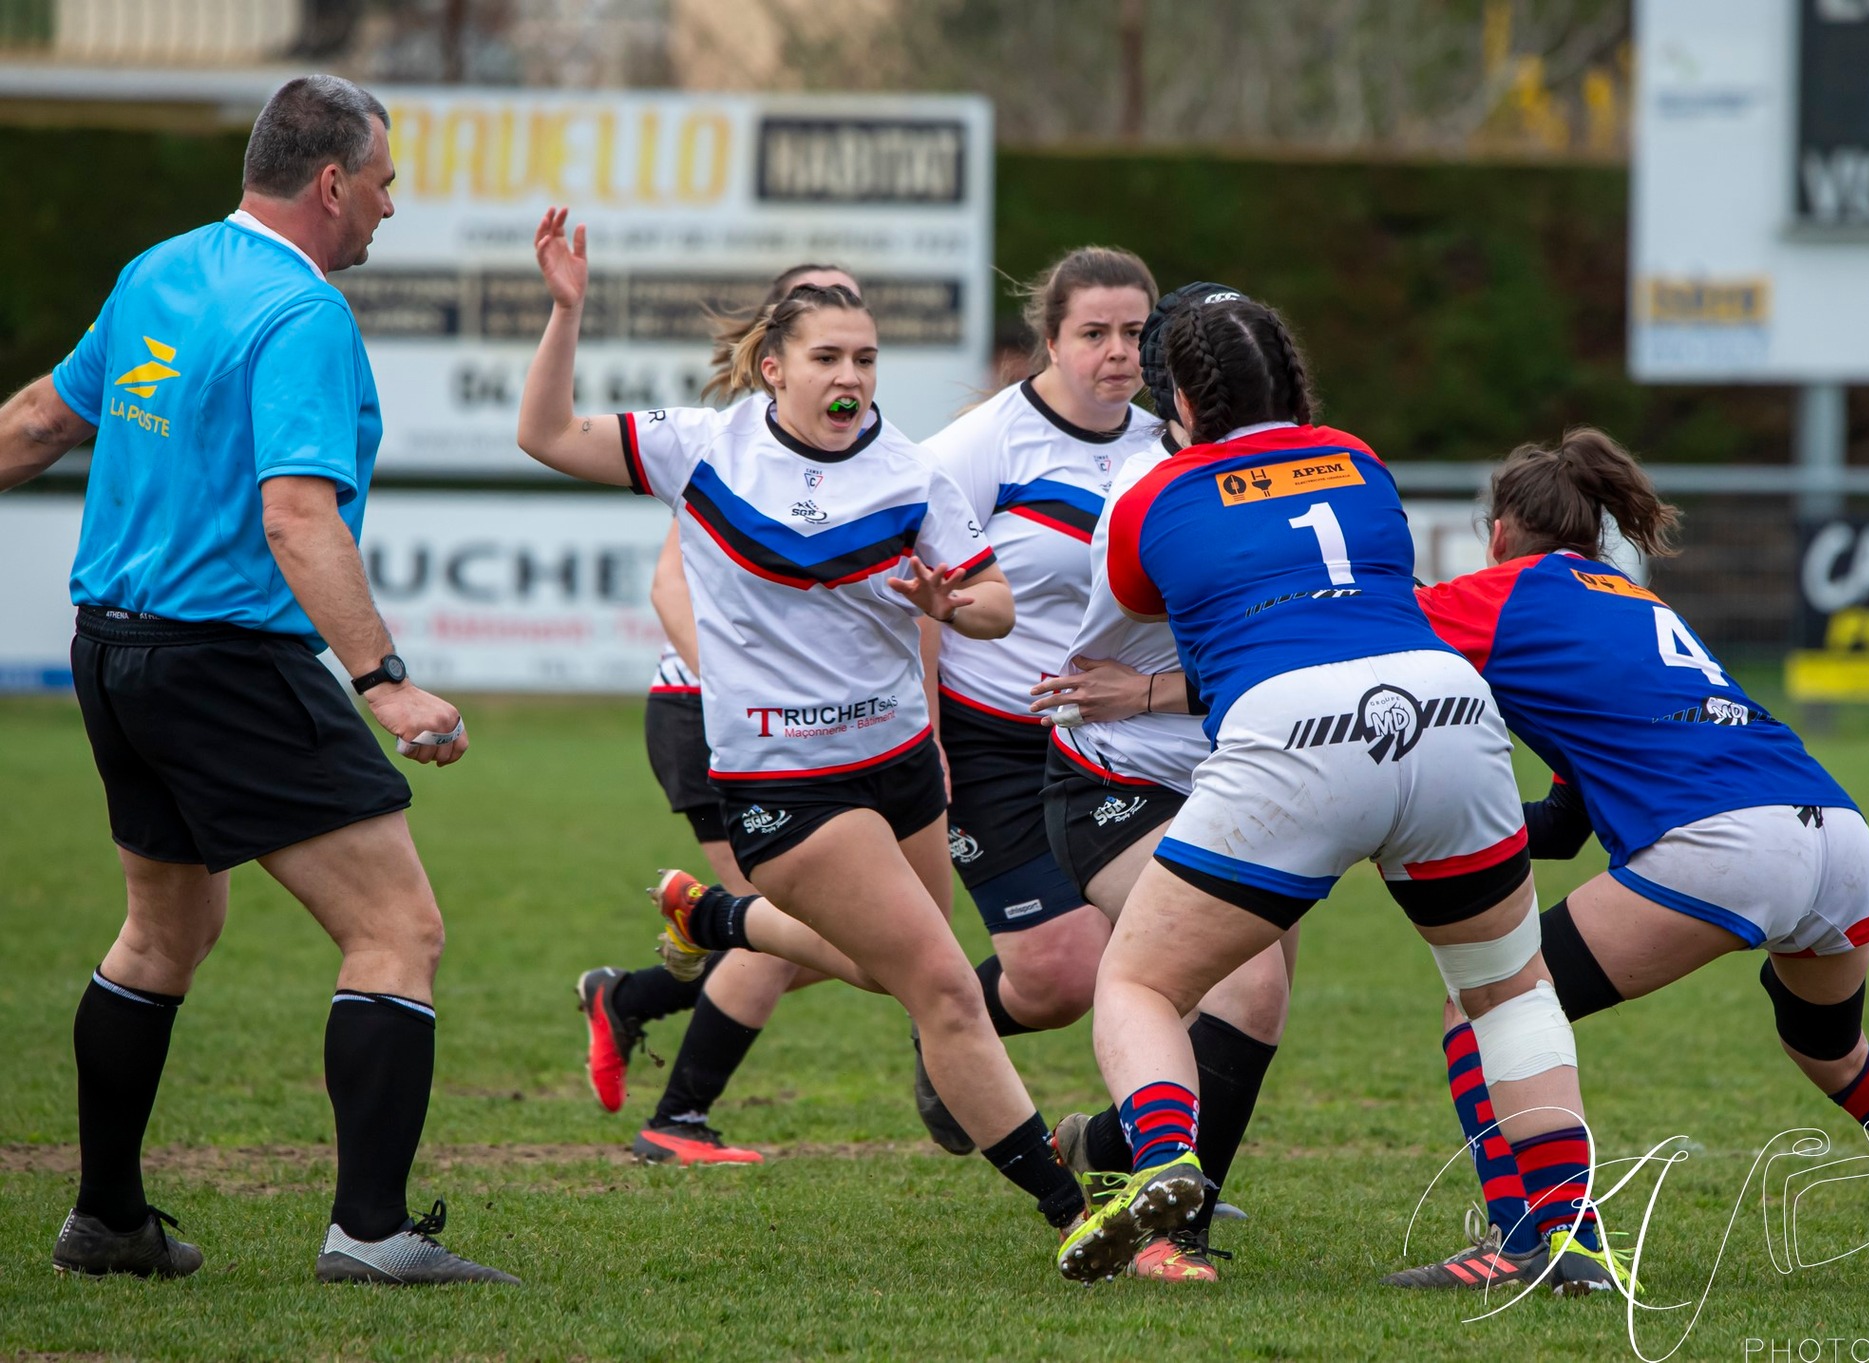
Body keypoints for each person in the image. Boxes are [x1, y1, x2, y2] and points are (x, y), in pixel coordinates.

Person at [0, 75, 514, 1284]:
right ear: (331, 182)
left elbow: (33, 423)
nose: (389, 207)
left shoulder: (160, 270)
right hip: (226, 656)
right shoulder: (304, 313)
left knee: (164, 929)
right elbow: (296, 517)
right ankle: (372, 1233)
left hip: (114, 653)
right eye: (383, 183)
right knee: (397, 927)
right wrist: (384, 679)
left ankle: (109, 1221)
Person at [516, 209, 1089, 1242]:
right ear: (771, 367)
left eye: (866, 358)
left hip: (903, 765)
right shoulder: (706, 450)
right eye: (827, 355)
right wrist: (565, 315)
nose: (851, 375)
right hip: (788, 782)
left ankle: (713, 920)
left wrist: (954, 606)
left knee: (894, 970)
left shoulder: (910, 473)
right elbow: (545, 436)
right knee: (948, 991)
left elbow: (994, 600)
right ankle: (1075, 1212)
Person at [1386, 429, 1869, 1293]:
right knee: (1834, 1053)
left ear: (1501, 531)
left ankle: (1535, 1242)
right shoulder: (1629, 600)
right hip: (1836, 832)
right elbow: (1562, 821)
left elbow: (1367, 638)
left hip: (1727, 843)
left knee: (1486, 1004)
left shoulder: (1505, 593)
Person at [1057, 296, 1596, 1288]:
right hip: (1443, 710)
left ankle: (1169, 1160)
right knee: (1507, 992)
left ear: (1180, 395)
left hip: (1291, 730)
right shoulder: (1356, 457)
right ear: (1294, 379)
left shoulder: (1147, 493)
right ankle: (1568, 1240)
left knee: (1140, 984)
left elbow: (1136, 605)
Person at [1027, 281, 1299, 1282]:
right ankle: (1162, 1230)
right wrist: (1146, 693)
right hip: (1117, 782)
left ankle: (1106, 1152)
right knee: (1244, 980)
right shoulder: (1155, 493)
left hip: (1255, 775)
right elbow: (1251, 651)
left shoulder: (1297, 472)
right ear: (1182, 392)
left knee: (1242, 1009)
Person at [577, 264, 860, 1167]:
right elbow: (669, 582)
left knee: (853, 932)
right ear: (776, 348)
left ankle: (638, 995)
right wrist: (741, 689)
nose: (847, 362)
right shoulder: (725, 450)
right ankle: (676, 1117)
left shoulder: (854, 456)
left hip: (810, 726)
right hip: (710, 715)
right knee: (803, 929)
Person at [909, 246, 1162, 1153]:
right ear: (1050, 341)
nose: (1118, 352)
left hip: (1124, 742)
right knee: (1059, 977)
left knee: (1189, 950)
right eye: (1094, 332)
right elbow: (920, 585)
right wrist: (926, 734)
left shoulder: (1169, 445)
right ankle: (953, 1030)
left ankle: (1162, 1154)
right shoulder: (982, 443)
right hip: (993, 740)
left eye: (1135, 332)